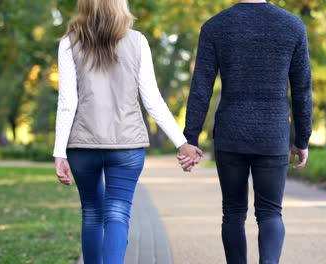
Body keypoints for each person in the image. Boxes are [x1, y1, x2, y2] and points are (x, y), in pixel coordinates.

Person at [52, 0, 202, 263]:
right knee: (117, 214)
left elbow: (67, 103)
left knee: (91, 214)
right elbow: (152, 99)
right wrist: (181, 142)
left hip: (82, 147)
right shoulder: (137, 41)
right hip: (127, 146)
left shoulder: (70, 42)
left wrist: (59, 151)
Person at [178, 0, 313, 263]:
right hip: (273, 134)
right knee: (271, 212)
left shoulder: (215, 26)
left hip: (231, 134)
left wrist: (190, 138)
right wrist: (302, 138)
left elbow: (201, 88)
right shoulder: (293, 26)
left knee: (233, 212)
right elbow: (302, 91)